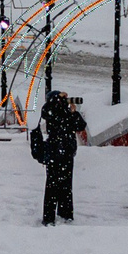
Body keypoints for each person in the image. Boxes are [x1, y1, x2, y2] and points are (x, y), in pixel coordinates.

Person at [31, 89, 87, 225]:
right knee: (52, 186)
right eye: (61, 99)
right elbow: (46, 111)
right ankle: (49, 218)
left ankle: (65, 215)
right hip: (54, 153)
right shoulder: (50, 111)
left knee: (66, 187)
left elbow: (81, 125)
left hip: (67, 154)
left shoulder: (67, 113)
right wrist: (57, 99)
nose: (63, 102)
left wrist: (74, 112)